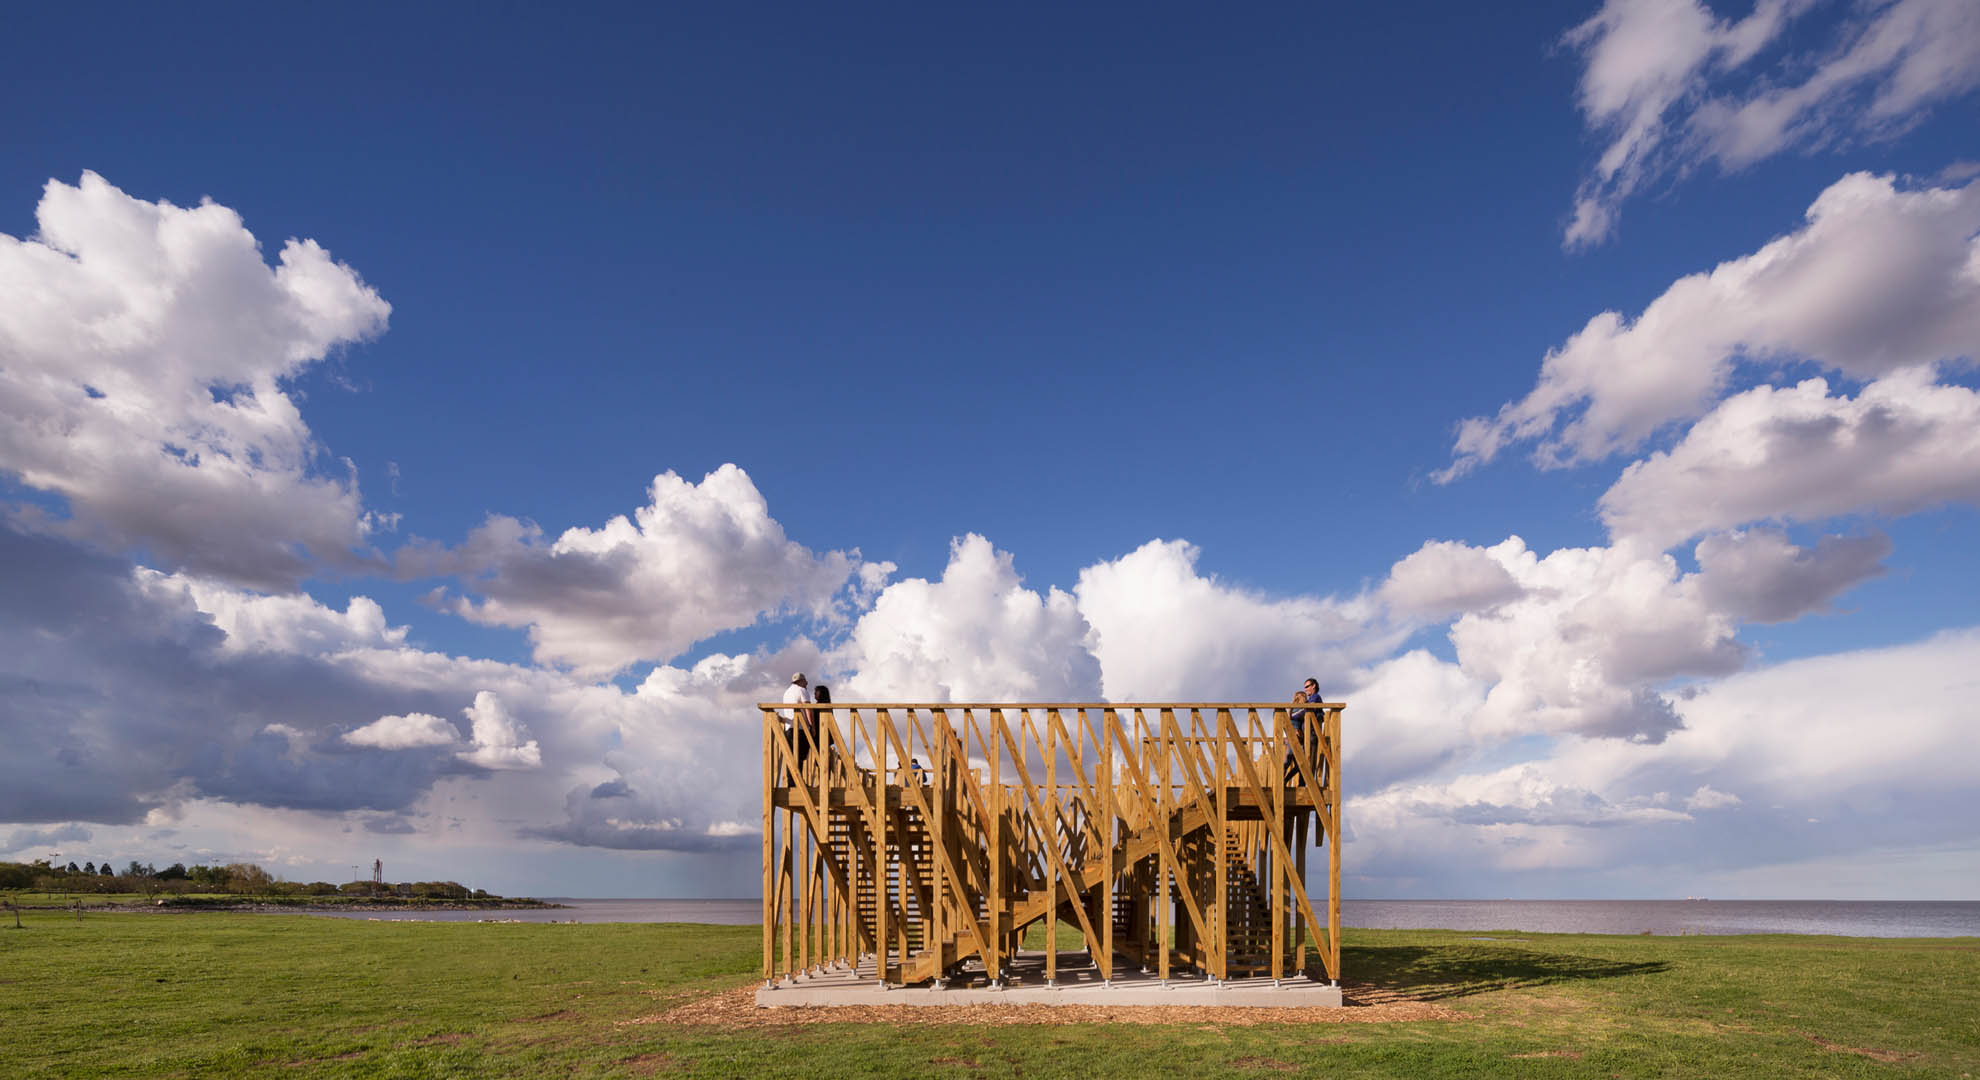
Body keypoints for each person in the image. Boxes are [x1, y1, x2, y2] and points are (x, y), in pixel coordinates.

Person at [1285, 677, 1321, 785]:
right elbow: (1304, 711)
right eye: (1305, 687)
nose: (1306, 689)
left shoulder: (1316, 697)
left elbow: (1306, 710)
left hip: (1311, 734)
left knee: (1306, 763)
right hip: (1305, 736)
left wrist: (1291, 715)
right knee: (1302, 763)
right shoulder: (1309, 701)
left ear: (1313, 686)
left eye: (1307, 686)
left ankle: (1303, 784)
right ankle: (1300, 784)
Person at [779, 674, 811, 784]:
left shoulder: (786, 693)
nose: (806, 684)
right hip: (801, 728)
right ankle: (798, 782)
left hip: (789, 727)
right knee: (800, 756)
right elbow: (808, 709)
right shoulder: (802, 690)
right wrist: (811, 725)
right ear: (801, 681)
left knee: (791, 756)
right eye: (806, 682)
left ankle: (791, 782)